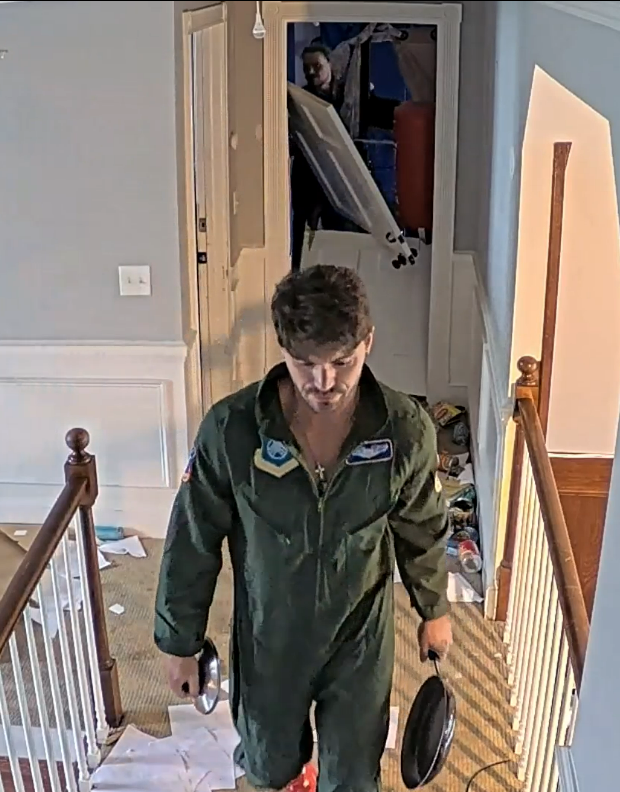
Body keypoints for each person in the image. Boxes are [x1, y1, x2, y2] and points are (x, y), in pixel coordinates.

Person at [154, 264, 452, 792]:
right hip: (270, 632)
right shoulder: (233, 429)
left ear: (368, 342)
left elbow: (421, 528)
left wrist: (434, 609)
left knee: (353, 776)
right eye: (305, 364)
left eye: (343, 362)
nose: (324, 382)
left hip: (359, 634)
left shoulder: (404, 431)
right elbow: (193, 538)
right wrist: (180, 642)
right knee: (268, 766)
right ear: (283, 349)